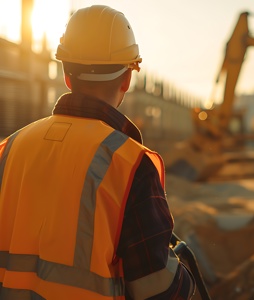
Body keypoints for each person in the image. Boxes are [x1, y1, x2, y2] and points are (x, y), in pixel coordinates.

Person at [0, 5, 195, 299]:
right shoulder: (131, 165)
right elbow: (158, 291)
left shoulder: (9, 150)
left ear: (66, 75)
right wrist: (185, 279)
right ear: (127, 79)